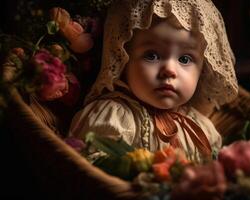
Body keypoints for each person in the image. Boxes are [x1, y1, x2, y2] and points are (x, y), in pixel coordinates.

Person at [69, 0, 238, 162]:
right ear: (122, 59)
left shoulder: (201, 129)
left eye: (185, 59)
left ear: (202, 70)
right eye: (152, 55)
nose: (169, 70)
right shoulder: (113, 117)